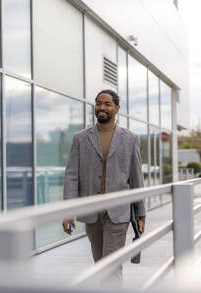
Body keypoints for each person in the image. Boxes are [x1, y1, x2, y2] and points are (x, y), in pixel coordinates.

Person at [62, 89, 146, 282]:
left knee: (112, 265)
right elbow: (72, 175)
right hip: (92, 211)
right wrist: (68, 210)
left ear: (117, 108)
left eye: (107, 104)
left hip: (118, 212)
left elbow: (136, 178)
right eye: (99, 103)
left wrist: (141, 213)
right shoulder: (80, 138)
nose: (102, 107)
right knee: (100, 264)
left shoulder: (130, 139)